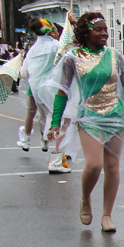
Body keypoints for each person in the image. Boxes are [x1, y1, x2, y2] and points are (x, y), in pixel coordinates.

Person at [48, 12, 124, 232]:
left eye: (105, 29)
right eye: (98, 29)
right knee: (94, 164)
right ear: (86, 32)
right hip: (88, 116)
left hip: (116, 117)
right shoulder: (73, 57)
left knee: (112, 166)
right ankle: (85, 197)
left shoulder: (114, 55)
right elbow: (62, 92)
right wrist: (55, 121)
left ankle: (107, 215)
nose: (104, 33)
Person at [17, 17, 74, 174]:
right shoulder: (55, 46)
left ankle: (46, 144)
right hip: (53, 90)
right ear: (50, 30)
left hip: (36, 92)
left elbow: (23, 73)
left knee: (45, 119)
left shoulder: (32, 50)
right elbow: (70, 55)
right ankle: (56, 159)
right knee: (62, 120)